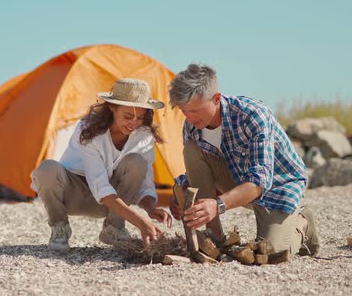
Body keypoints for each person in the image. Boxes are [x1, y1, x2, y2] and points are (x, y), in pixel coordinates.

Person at [168, 63, 319, 258]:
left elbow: (259, 182)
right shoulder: (191, 126)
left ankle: (303, 223)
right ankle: (215, 235)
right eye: (183, 111)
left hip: (278, 186)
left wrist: (217, 205)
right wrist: (180, 194)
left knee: (272, 253)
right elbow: (199, 172)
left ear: (216, 99)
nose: (188, 118)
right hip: (238, 180)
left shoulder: (253, 115)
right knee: (191, 149)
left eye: (194, 111)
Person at [31, 78, 172, 252]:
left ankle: (114, 229)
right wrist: (140, 222)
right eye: (128, 116)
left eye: (140, 117)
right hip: (74, 196)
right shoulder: (89, 130)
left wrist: (150, 208)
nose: (134, 123)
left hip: (111, 204)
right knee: (47, 169)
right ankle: (59, 228)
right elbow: (101, 187)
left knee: (137, 163)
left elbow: (145, 180)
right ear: (112, 107)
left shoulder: (144, 135)